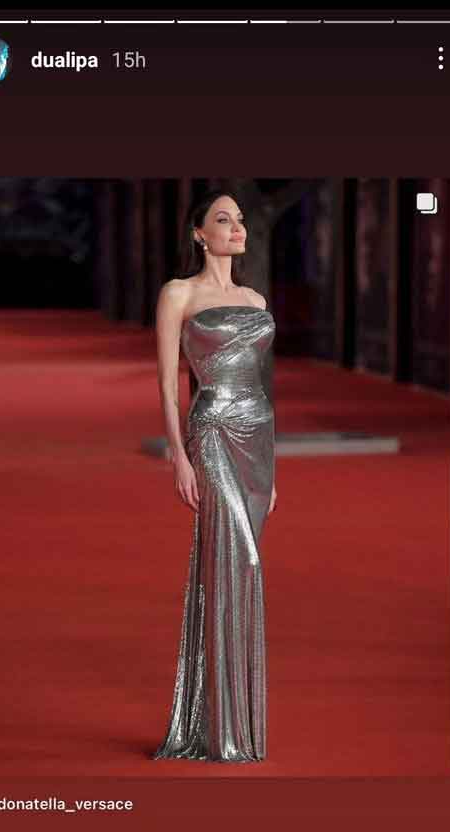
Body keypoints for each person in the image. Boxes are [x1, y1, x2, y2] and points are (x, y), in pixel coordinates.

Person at [152, 189, 276, 762]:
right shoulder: (178, 293)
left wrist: (273, 472)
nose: (237, 228)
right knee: (239, 561)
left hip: (258, 438)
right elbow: (168, 384)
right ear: (199, 234)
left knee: (238, 565)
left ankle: (230, 722)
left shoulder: (255, 297)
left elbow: (264, 383)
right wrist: (178, 455)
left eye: (240, 219)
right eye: (223, 220)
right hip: (213, 432)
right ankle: (223, 728)